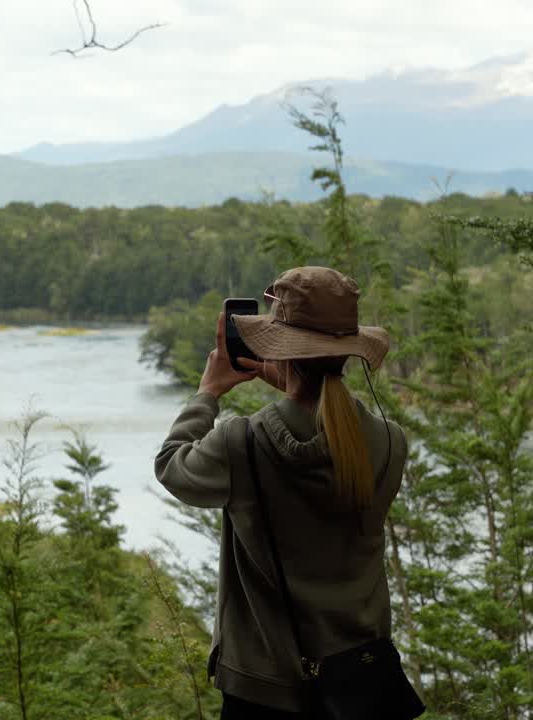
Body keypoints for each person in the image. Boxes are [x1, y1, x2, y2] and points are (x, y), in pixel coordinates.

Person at [155, 266, 409, 718]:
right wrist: (296, 385)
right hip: (359, 688)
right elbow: (337, 427)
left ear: (280, 349)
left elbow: (173, 468)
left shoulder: (241, 443)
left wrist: (207, 393)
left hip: (263, 690)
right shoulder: (389, 442)